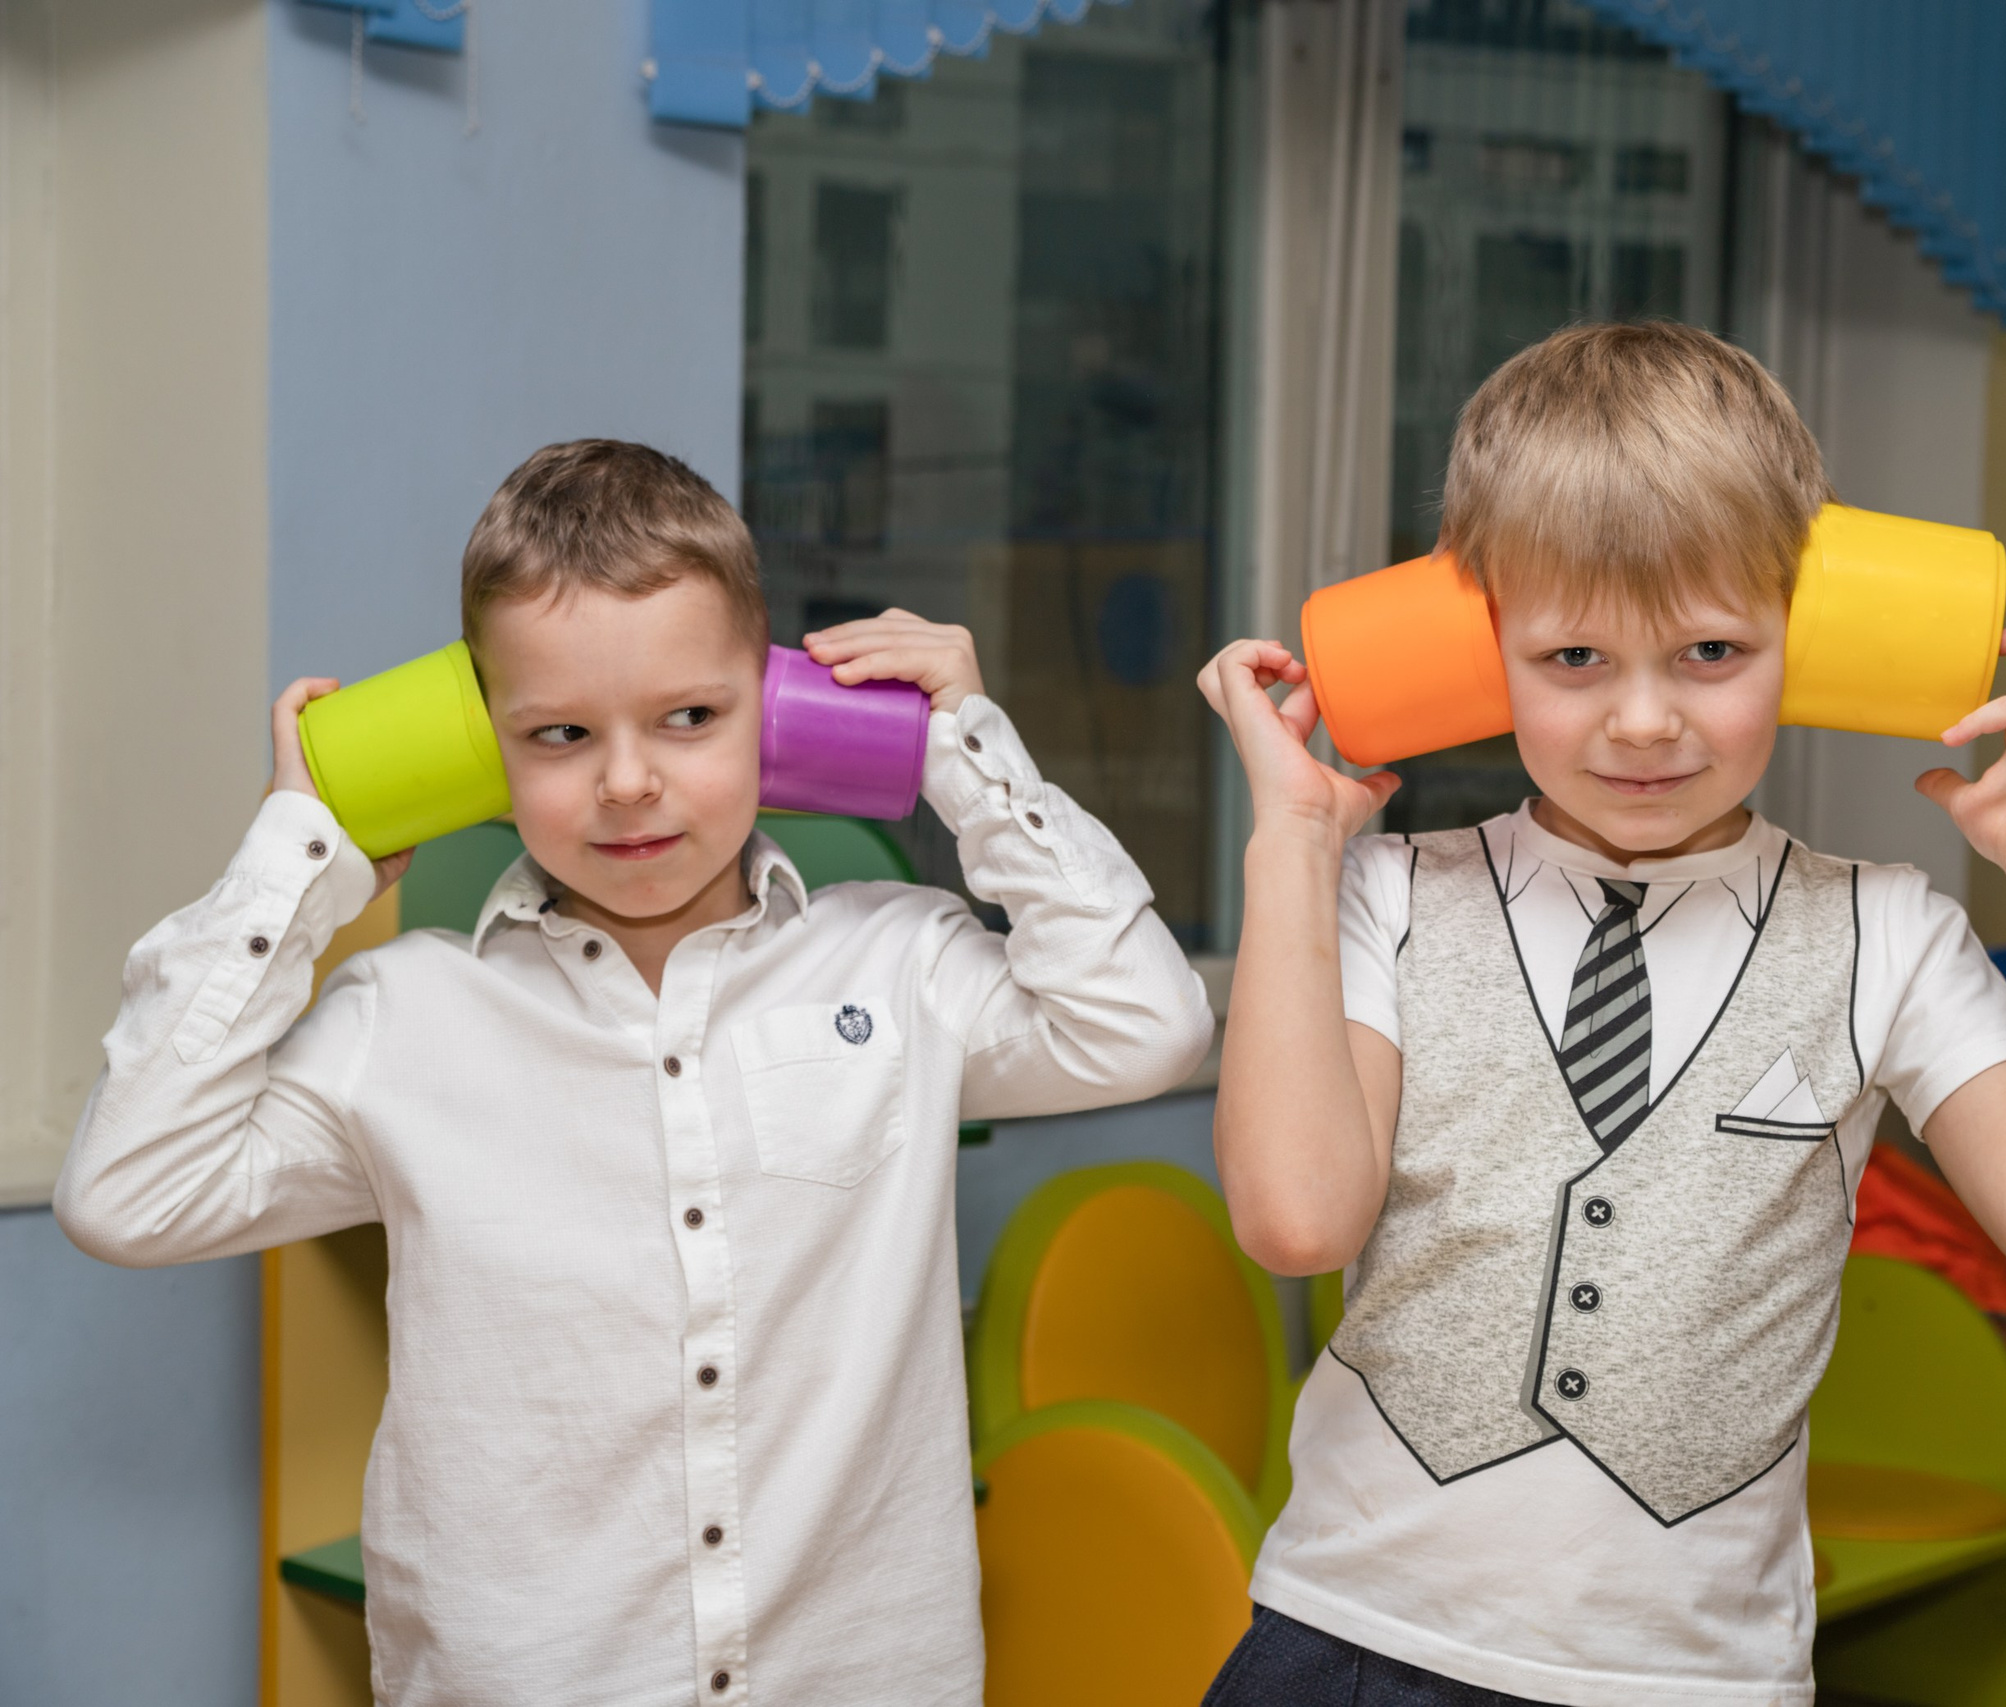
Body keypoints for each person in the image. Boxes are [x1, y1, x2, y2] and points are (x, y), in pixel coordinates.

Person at [55, 440, 1213, 1706]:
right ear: (473, 745)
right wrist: (296, 858)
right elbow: (129, 1196)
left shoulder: (898, 964)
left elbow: (1146, 1025)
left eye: (691, 717)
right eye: (557, 733)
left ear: (777, 714)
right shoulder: (407, 1016)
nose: (625, 781)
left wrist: (966, 758)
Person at [1196, 323, 2006, 1706]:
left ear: (1809, 632)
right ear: (1482, 653)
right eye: (1574, 655)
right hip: (1355, 1640)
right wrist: (1291, 847)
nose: (1645, 719)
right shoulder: (1387, 893)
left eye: (1712, 648)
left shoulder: (1885, 929)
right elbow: (1297, 1218)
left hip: (1695, 1676)